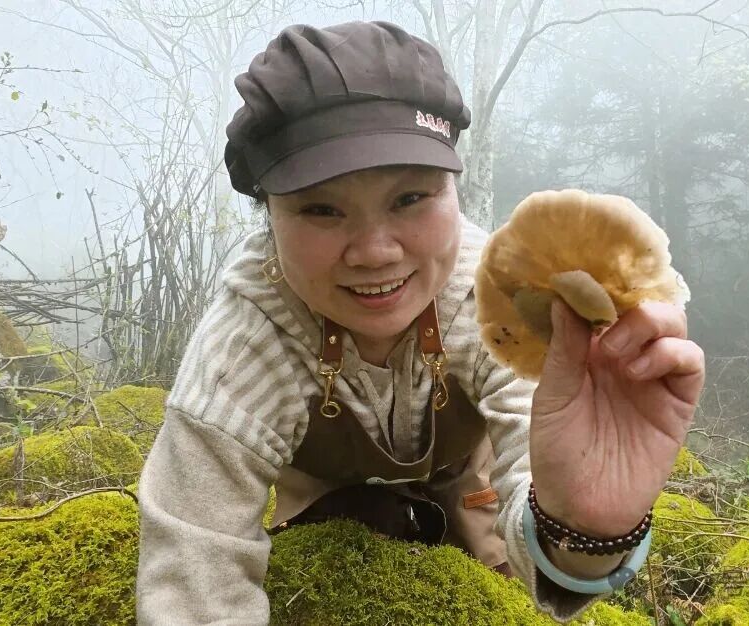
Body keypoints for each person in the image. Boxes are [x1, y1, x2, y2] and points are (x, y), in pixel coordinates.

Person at [135, 20, 705, 625]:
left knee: (501, 581)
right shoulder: (246, 342)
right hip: (321, 508)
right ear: (269, 217)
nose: (375, 252)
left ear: (454, 189)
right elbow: (196, 572)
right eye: (322, 209)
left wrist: (583, 526)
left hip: (471, 489)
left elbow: (551, 526)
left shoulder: (501, 300)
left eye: (410, 199)